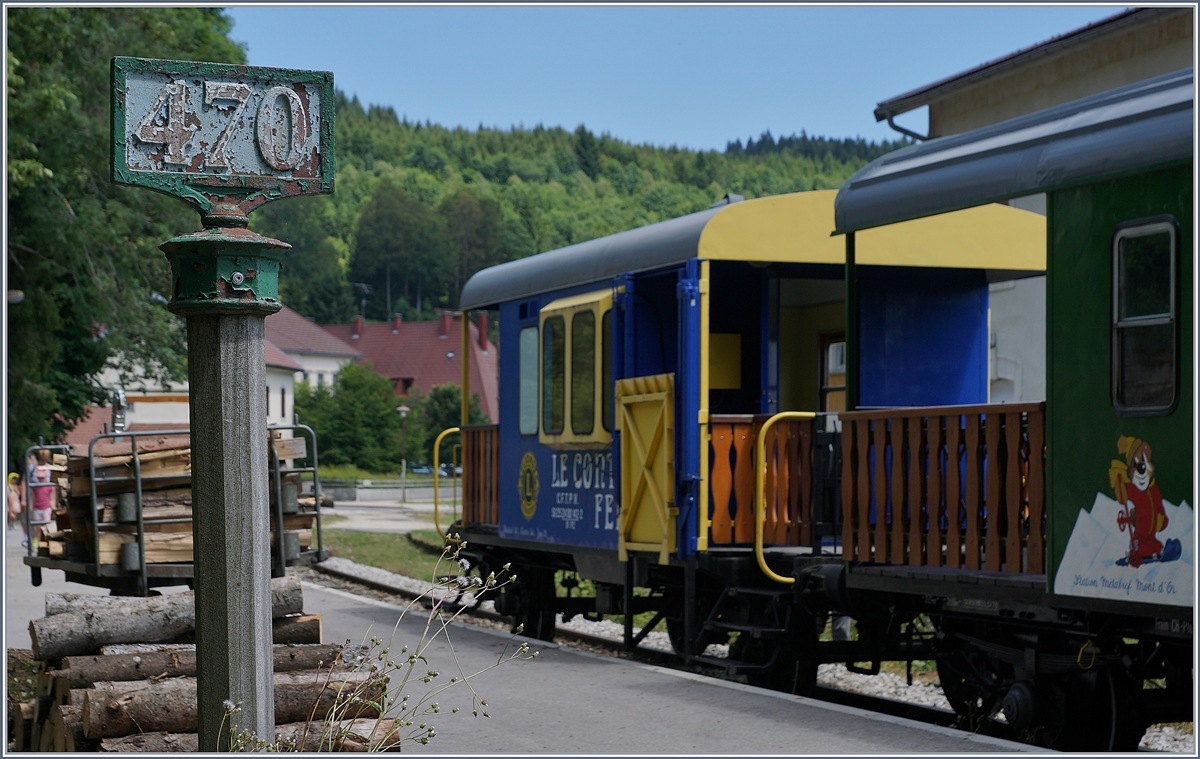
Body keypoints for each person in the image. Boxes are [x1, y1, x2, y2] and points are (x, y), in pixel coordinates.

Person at [29, 450, 57, 545]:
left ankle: (46, 541)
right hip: (37, 508)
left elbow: (52, 498)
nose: (40, 479)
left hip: (46, 508)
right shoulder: (35, 487)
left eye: (42, 478)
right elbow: (32, 498)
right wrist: (31, 507)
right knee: (37, 526)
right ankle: (36, 540)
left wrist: (53, 506)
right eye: (39, 478)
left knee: (46, 524)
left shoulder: (49, 486)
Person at [7, 472, 25, 546]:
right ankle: (10, 523)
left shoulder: (15, 486)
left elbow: (18, 493)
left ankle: (12, 523)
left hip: (16, 500)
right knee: (11, 512)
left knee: (16, 512)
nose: (14, 481)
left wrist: (18, 488)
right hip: (10, 500)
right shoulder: (7, 487)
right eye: (13, 479)